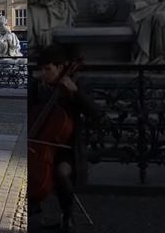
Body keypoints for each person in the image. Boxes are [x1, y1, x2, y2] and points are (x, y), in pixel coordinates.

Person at [28, 44, 98, 233]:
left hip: (68, 149)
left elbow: (97, 115)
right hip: (39, 145)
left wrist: (75, 92)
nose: (43, 73)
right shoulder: (39, 87)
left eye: (48, 69)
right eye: (41, 69)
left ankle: (67, 216)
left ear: (60, 68)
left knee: (61, 172)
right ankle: (32, 208)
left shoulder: (78, 84)